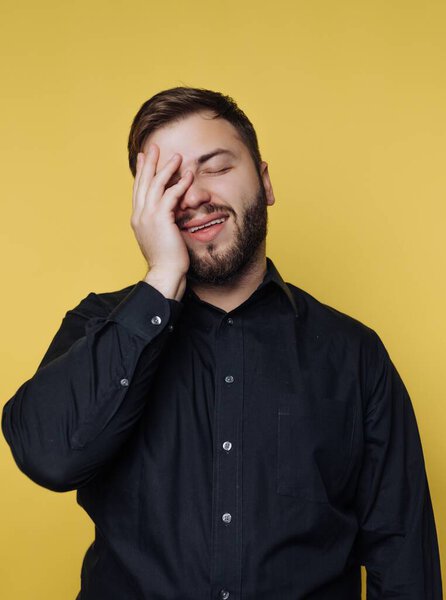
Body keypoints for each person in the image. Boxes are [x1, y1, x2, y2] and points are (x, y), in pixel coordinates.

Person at [2, 86, 442, 599]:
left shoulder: (354, 355)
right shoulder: (99, 326)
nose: (192, 195)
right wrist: (162, 275)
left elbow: (404, 560)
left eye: (214, 167)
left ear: (266, 181)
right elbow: (49, 457)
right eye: (168, 182)